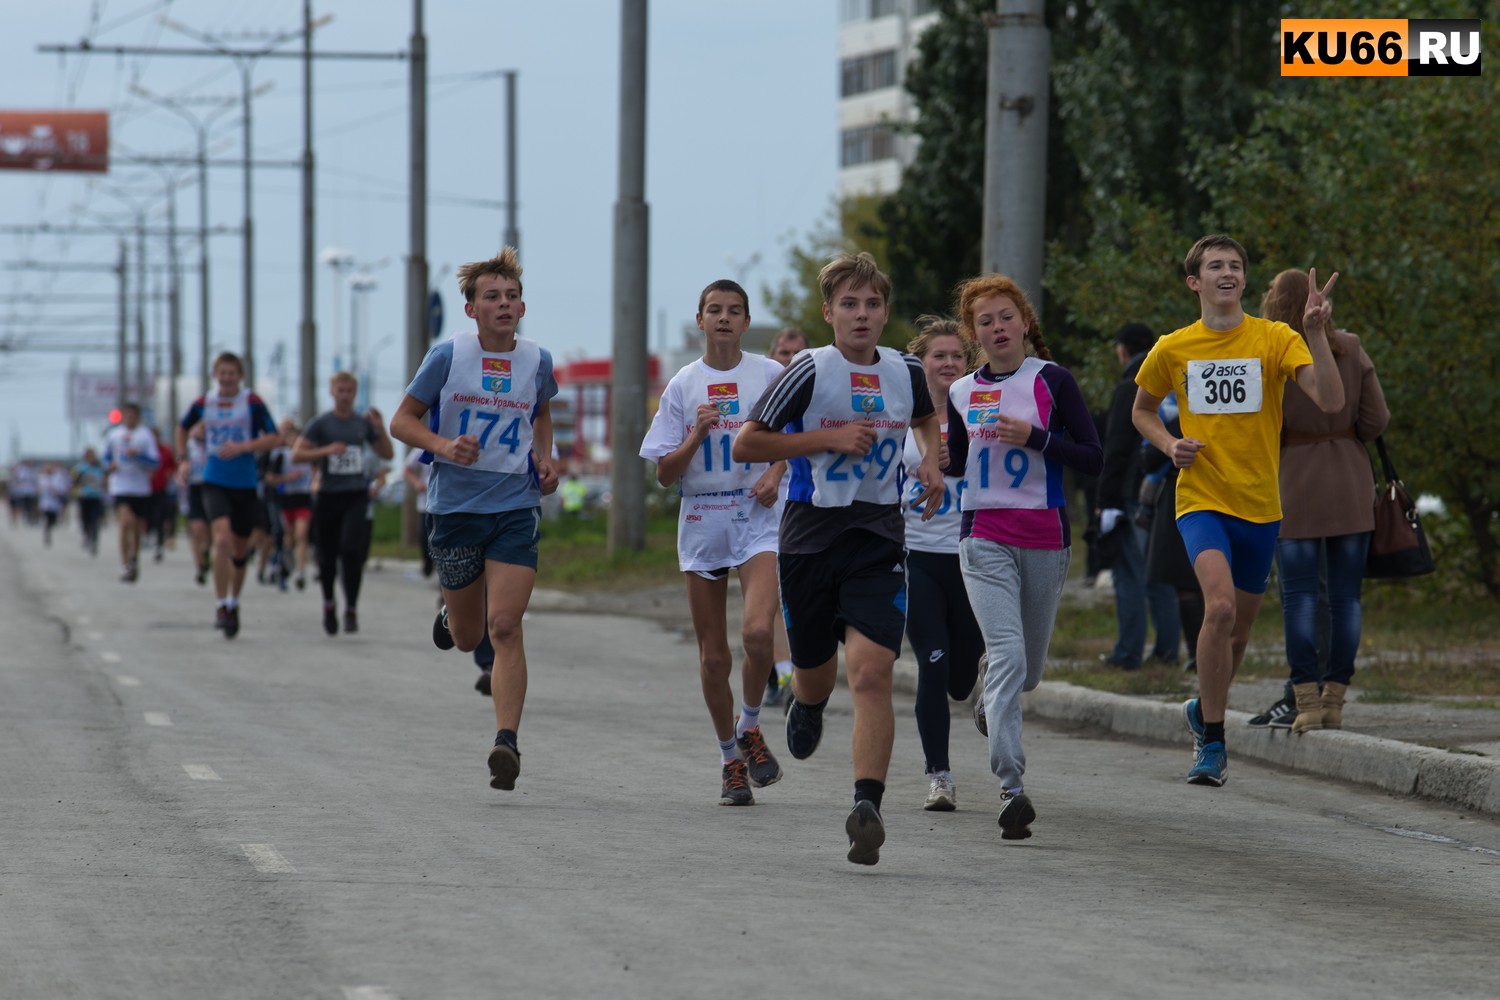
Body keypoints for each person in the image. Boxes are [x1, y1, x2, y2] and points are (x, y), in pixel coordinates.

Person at [734, 251, 943, 865]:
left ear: (885, 312)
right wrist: (827, 438)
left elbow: (928, 422)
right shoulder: (807, 370)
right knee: (817, 670)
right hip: (808, 540)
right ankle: (809, 700)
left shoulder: (906, 370)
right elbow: (749, 442)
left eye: (872, 304)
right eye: (848, 304)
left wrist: (929, 459)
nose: (861, 314)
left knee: (873, 672)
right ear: (828, 312)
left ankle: (866, 806)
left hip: (878, 537)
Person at [1132, 234, 1345, 787]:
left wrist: (1316, 334)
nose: (1226, 272)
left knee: (1239, 634)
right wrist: (1167, 443)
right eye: (1215, 266)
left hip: (1260, 505)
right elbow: (1142, 410)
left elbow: (1330, 399)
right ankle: (1213, 743)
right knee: (1219, 608)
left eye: (1235, 265)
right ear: (1194, 282)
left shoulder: (1274, 338)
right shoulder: (1173, 347)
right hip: (1201, 498)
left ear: (1244, 280)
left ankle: (1203, 707)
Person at [389, 246, 559, 793]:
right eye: (492, 297)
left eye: (511, 297)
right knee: (467, 636)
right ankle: (450, 615)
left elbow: (542, 411)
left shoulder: (537, 360)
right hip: (455, 508)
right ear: (472, 309)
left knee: (505, 626)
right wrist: (441, 444)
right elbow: (401, 421)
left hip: (515, 505)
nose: (504, 305)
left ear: (522, 306)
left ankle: (505, 740)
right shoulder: (449, 356)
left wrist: (545, 457)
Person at [944, 275, 1102, 840]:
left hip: (1044, 538)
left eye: (1006, 316)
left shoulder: (1053, 381)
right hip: (983, 536)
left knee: (1026, 672)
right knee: (1010, 654)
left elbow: (1093, 458)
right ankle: (1011, 786)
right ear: (974, 335)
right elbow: (959, 465)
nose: (997, 328)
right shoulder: (961, 392)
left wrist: (1036, 438)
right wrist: (933, 464)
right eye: (984, 321)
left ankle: (992, 688)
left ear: (1025, 322)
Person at [640, 278, 788, 806]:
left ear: (747, 322)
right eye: (714, 310)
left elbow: (794, 438)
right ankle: (730, 759)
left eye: (734, 311)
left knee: (756, 634)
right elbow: (663, 473)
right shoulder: (683, 384)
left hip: (756, 514)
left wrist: (777, 468)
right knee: (713, 658)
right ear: (699, 320)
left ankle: (749, 725)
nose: (724, 318)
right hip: (703, 516)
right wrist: (696, 436)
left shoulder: (770, 374)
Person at [1251, 268, 1389, 733]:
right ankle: (1334, 700)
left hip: (1293, 483)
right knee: (1347, 598)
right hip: (1350, 481)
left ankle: (1304, 700)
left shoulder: (1270, 355)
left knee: (1299, 598)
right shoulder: (1348, 346)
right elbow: (1376, 420)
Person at [899, 316, 985, 812]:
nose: (949, 362)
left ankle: (979, 679)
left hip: (973, 555)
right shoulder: (903, 418)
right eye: (939, 356)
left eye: (957, 355)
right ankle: (939, 776)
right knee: (933, 666)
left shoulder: (980, 412)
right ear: (922, 364)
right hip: (919, 556)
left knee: (959, 681)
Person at [177, 352, 282, 639]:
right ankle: (221, 604)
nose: (226, 378)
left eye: (231, 373)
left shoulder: (251, 402)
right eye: (221, 373)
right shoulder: (204, 402)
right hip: (214, 480)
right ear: (215, 375)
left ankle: (234, 601)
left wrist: (244, 447)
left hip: (246, 484)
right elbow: (182, 427)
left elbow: (275, 437)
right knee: (221, 539)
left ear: (240, 376)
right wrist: (183, 459)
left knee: (240, 549)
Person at [1096, 322, 1180, 669]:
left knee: (1128, 571)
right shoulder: (1172, 377)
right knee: (1159, 570)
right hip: (1169, 485)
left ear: (1123, 350)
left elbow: (1116, 446)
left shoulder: (1132, 384)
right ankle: (1167, 650)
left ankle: (1127, 653)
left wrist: (1105, 499)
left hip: (1135, 491)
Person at [293, 373, 394, 635]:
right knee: (326, 557)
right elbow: (297, 454)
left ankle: (351, 606)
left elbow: (388, 454)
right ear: (332, 392)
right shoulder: (321, 424)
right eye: (341, 390)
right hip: (328, 495)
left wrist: (380, 428)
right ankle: (328, 602)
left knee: (351, 552)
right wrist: (325, 451)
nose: (345, 395)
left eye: (350, 390)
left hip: (355, 494)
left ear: (355, 393)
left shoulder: (362, 424)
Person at [761, 327, 811, 707]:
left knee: (801, 592)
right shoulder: (761, 393)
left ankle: (798, 668)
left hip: (810, 502)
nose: (790, 359)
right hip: (767, 504)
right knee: (775, 594)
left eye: (798, 353)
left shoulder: (818, 391)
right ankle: (783, 672)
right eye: (783, 352)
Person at [103, 402, 159, 582]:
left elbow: (155, 462)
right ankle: (125, 564)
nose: (130, 418)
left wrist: (139, 456)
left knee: (136, 527)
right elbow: (105, 457)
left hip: (140, 488)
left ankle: (134, 558)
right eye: (127, 415)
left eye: (133, 415)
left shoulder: (145, 436)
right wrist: (109, 466)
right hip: (120, 485)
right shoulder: (114, 435)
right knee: (126, 522)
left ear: (138, 417)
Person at [268, 419, 315, 593]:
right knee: (289, 536)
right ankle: (286, 561)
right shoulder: (280, 455)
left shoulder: (308, 454)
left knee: (301, 534)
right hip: (286, 499)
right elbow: (270, 478)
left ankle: (301, 572)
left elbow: (316, 470)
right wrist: (288, 479)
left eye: (296, 438)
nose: (293, 441)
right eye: (290, 438)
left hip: (303, 499)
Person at [177, 425, 212, 586]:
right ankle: (199, 567)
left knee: (211, 533)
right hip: (195, 490)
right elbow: (180, 470)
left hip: (212, 488)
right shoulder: (188, 447)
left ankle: (206, 552)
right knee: (197, 530)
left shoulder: (214, 442)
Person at [73, 448, 106, 556]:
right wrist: (81, 480)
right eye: (89, 456)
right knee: (85, 519)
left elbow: (105, 480)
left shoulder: (99, 468)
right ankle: (86, 535)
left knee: (95, 520)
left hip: (96, 497)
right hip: (84, 496)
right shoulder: (82, 468)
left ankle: (94, 542)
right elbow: (74, 480)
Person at [38, 463, 71, 546]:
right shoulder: (43, 478)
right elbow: (40, 488)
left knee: (53, 521)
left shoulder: (57, 478)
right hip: (45, 503)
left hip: (55, 503)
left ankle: (49, 529)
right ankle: (46, 534)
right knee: (46, 519)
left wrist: (56, 490)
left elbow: (62, 489)